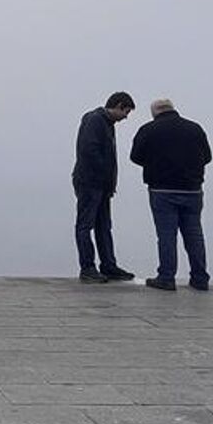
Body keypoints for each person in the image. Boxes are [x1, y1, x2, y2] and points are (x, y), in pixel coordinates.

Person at [128, 98, 212, 291]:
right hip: (192, 190)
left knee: (167, 235)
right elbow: (207, 156)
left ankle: (166, 277)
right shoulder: (194, 129)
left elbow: (135, 156)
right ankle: (200, 278)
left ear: (155, 112)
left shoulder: (148, 130)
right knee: (194, 234)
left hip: (162, 190)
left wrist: (155, 164)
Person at [71, 92, 138, 283]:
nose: (126, 117)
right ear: (117, 105)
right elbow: (89, 151)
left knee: (104, 225)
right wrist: (103, 176)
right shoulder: (95, 120)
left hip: (101, 185)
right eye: (126, 111)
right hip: (90, 183)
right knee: (85, 225)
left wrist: (109, 182)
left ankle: (108, 265)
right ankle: (88, 268)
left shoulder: (107, 123)